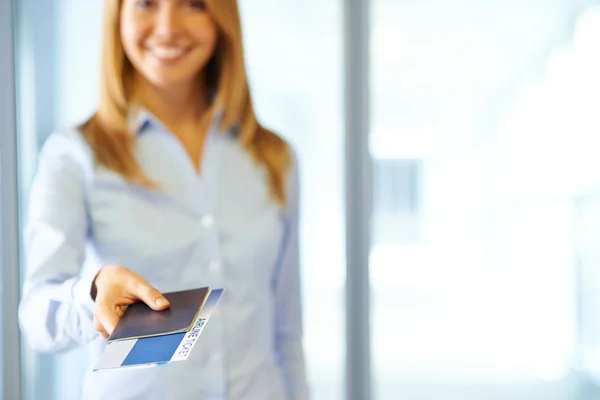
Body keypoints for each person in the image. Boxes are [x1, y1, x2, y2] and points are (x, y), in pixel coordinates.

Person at [18, 0, 308, 399]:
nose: (168, 27)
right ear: (118, 15)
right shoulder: (75, 156)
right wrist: (93, 296)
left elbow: (287, 333)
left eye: (193, 4)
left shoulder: (273, 158)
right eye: (145, 4)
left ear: (220, 17)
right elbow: (36, 317)